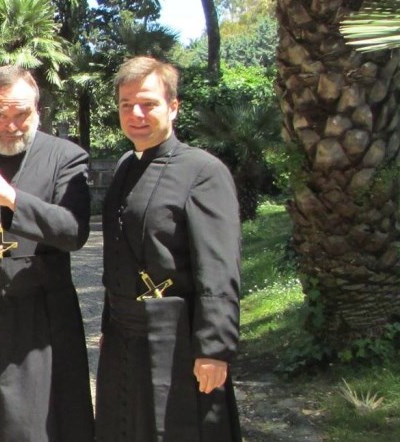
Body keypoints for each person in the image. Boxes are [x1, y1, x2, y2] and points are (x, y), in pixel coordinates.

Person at [0, 66, 94, 442]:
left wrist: (12, 198)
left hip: (41, 321)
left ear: (37, 109)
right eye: (0, 115)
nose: (11, 125)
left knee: (38, 426)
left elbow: (73, 231)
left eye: (21, 114)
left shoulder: (67, 158)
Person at [97, 55, 242, 441]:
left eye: (148, 103)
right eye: (126, 105)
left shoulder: (202, 172)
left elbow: (219, 266)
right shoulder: (127, 165)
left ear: (173, 107)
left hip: (177, 335)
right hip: (125, 333)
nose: (136, 114)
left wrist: (214, 348)